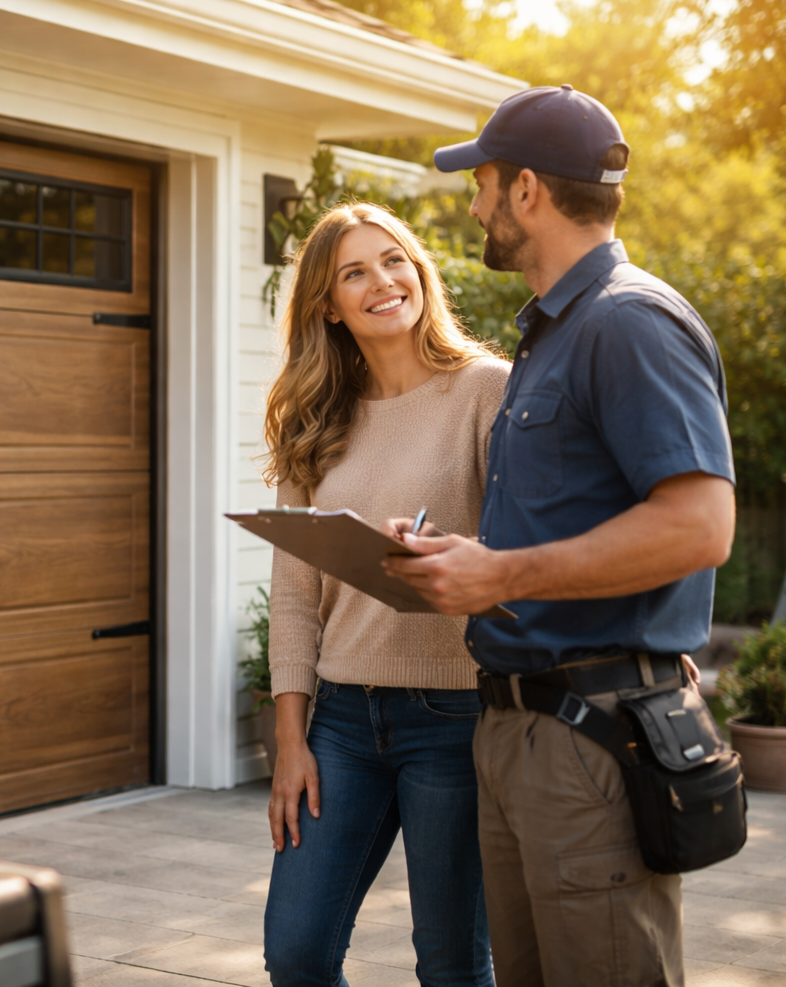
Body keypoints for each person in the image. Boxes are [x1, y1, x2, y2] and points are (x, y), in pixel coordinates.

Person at [380, 85, 736, 986]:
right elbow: (566, 518)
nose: (473, 204)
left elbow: (701, 526)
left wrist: (500, 574)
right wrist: (454, 559)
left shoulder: (626, 323)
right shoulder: (554, 333)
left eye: (483, 183)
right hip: (517, 730)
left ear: (527, 190)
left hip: (589, 738)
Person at [261, 201, 509, 987]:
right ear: (327, 307)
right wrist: (290, 741)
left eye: (394, 259)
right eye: (354, 273)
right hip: (338, 723)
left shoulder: (487, 391)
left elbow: (525, 554)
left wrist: (445, 555)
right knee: (296, 954)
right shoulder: (316, 420)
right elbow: (297, 596)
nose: (382, 282)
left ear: (420, 271)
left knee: (450, 965)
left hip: (456, 717)